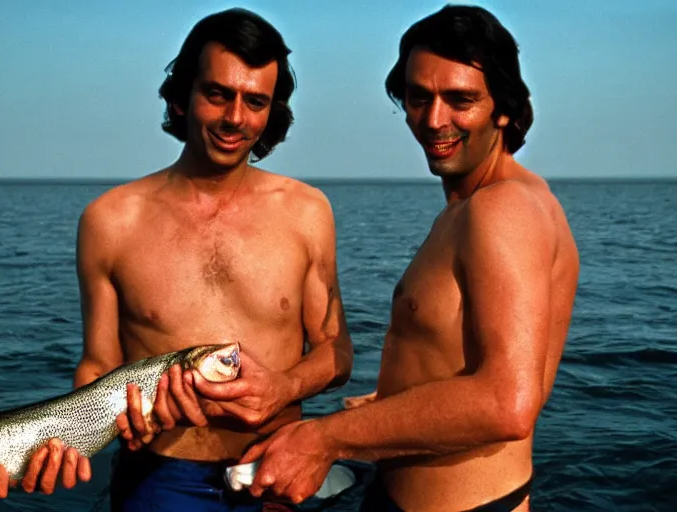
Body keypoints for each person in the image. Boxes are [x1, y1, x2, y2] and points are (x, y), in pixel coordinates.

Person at [0, 8, 353, 510]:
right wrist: (52, 448)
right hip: (159, 477)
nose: (235, 118)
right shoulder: (109, 220)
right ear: (182, 97)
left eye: (255, 101)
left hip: (277, 469)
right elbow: (98, 364)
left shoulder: (308, 211)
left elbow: (337, 350)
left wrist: (284, 386)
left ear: (271, 113)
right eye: (217, 94)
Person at [234, 5, 580, 511]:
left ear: (502, 108)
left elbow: (509, 404)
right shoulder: (474, 208)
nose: (435, 119)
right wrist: (398, 402)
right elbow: (516, 374)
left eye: (461, 100)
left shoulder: (502, 210)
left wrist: (324, 438)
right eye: (420, 97)